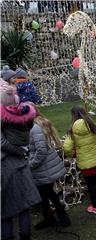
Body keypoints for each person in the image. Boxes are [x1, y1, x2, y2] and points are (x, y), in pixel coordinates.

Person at [1, 87, 41, 240]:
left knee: (5, 212)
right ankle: (25, 236)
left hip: (7, 165)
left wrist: (18, 151)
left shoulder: (4, 117)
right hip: (21, 162)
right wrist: (22, 151)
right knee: (23, 206)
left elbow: (2, 142)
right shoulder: (26, 113)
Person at [29, 109, 71, 230]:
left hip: (44, 168)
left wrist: (32, 163)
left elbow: (41, 150)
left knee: (46, 193)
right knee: (47, 194)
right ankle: (58, 218)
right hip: (47, 167)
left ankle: (57, 218)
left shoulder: (35, 128)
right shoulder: (40, 124)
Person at [63, 106, 96, 214]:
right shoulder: (92, 125)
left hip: (85, 160)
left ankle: (95, 206)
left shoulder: (72, 130)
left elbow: (66, 147)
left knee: (90, 183)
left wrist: (72, 154)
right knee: (95, 175)